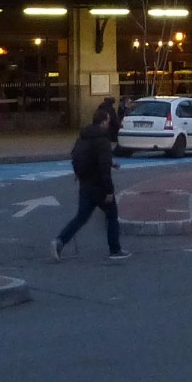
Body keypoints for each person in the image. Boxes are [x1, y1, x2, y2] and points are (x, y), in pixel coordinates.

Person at [52, 101, 128, 262]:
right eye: (107, 121)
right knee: (112, 215)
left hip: (85, 184)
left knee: (81, 218)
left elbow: (80, 157)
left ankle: (60, 241)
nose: (109, 123)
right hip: (99, 186)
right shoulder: (103, 140)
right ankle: (115, 250)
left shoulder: (83, 137)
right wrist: (109, 191)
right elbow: (103, 168)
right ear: (103, 122)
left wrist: (110, 163)